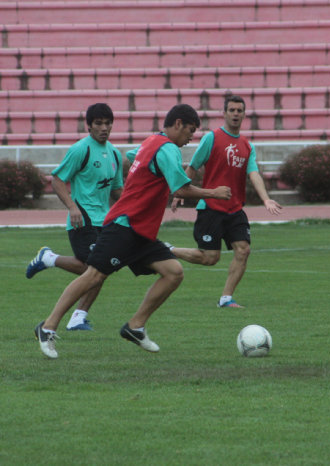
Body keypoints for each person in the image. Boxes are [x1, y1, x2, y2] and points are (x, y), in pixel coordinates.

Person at [34, 103, 231, 358]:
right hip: (124, 225)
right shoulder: (167, 148)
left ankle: (135, 326)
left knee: (173, 272)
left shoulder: (151, 142)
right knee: (93, 276)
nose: (191, 137)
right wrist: (212, 192)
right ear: (178, 124)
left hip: (141, 231)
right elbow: (180, 189)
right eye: (190, 131)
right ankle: (47, 327)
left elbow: (132, 155)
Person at [169, 94, 282, 308]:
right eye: (232, 110)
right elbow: (193, 167)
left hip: (234, 208)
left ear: (244, 114)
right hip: (211, 207)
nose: (236, 114)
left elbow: (254, 173)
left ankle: (226, 298)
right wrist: (179, 192)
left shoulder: (247, 146)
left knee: (243, 249)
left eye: (240, 110)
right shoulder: (212, 138)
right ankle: (169, 249)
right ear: (224, 113)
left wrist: (266, 199)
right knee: (210, 258)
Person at [26, 103, 123, 331]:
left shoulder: (115, 155)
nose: (104, 128)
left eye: (108, 123)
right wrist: (72, 207)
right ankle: (49, 258)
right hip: (83, 219)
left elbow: (117, 190)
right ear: (88, 126)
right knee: (95, 269)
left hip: (105, 220)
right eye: (98, 123)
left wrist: (134, 207)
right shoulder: (81, 149)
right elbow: (57, 180)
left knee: (102, 269)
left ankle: (78, 317)